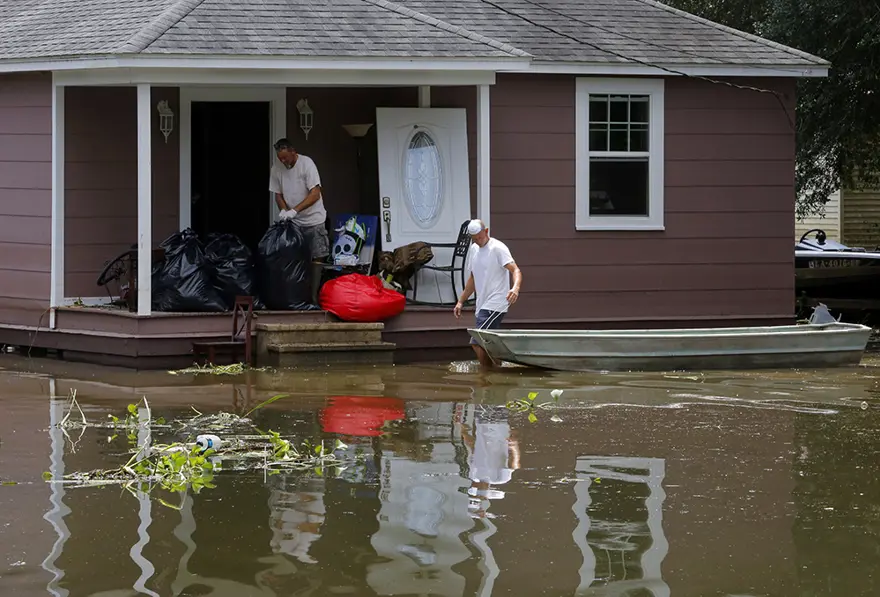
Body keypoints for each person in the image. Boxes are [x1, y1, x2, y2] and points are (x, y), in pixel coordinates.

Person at [453, 219, 522, 370]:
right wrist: (461, 301)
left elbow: (515, 270)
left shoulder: (497, 248)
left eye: (480, 237)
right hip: (482, 304)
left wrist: (515, 288)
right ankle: (497, 367)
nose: (478, 241)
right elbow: (473, 278)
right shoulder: (474, 249)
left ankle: (486, 372)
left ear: (486, 231)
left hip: (496, 302)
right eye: (474, 239)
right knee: (487, 342)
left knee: (476, 340)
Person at [269, 138, 330, 305]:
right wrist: (284, 211)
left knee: (317, 256)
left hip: (313, 220)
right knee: (295, 258)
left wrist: (295, 210)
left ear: (293, 152)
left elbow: (315, 193)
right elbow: (278, 194)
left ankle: (314, 297)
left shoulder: (306, 164)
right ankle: (297, 297)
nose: (283, 161)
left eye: (285, 158)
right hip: (293, 223)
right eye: (280, 158)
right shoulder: (277, 168)